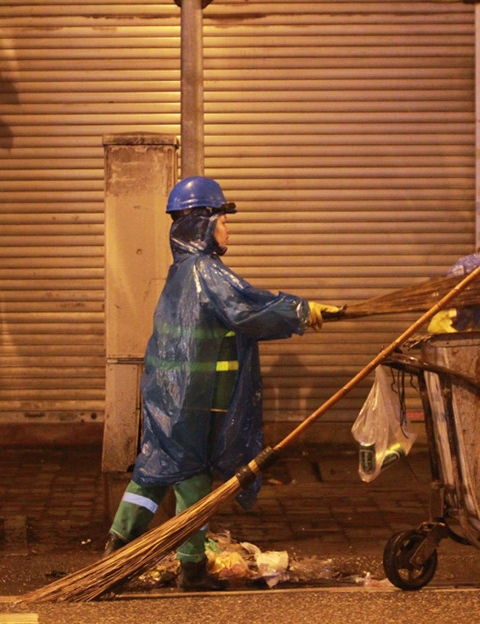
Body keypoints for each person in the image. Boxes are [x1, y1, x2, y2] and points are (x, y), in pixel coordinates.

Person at [103, 176, 337, 591]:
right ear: (202, 223)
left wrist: (300, 310)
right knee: (193, 475)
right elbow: (247, 309)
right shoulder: (206, 272)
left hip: (167, 393)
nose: (228, 229)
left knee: (154, 472)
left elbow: (244, 303)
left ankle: (116, 546)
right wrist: (302, 312)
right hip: (198, 397)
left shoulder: (183, 273)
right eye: (222, 220)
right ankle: (191, 568)